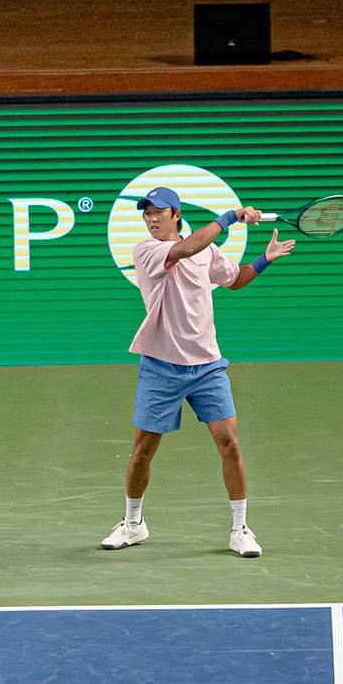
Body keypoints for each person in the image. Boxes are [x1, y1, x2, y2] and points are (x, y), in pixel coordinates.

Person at [101, 187, 295, 558]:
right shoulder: (147, 251)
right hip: (160, 366)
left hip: (207, 366)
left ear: (176, 214)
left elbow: (234, 279)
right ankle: (132, 524)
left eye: (159, 212)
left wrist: (265, 259)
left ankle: (240, 529)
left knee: (230, 445)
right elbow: (185, 249)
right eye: (146, 213)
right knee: (142, 451)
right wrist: (229, 217)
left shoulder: (207, 249)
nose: (151, 219)